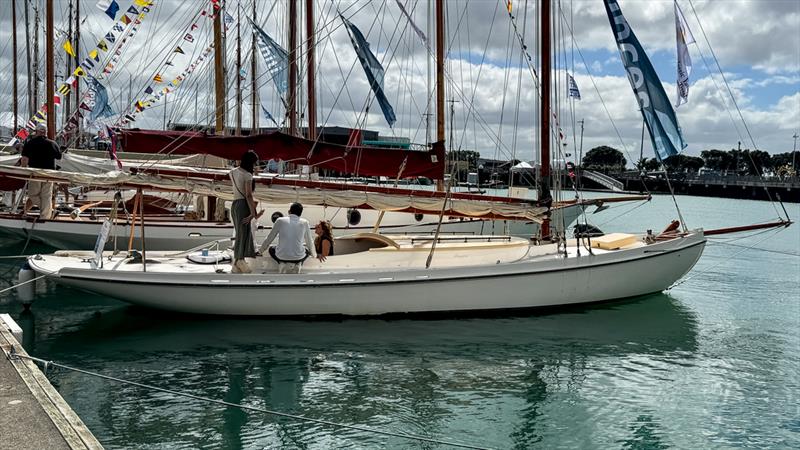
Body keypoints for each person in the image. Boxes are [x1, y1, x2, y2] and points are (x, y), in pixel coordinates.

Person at [258, 202, 317, 273]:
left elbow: (269, 239)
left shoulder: (280, 220)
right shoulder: (305, 222)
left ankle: (281, 263)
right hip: (298, 258)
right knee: (307, 251)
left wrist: (260, 251)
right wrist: (314, 256)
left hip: (281, 257)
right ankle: (299, 263)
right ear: (300, 213)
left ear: (290, 211)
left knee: (271, 249)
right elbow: (309, 241)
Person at [20, 124, 61, 219]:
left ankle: (47, 211)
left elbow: (24, 159)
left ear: (37, 131)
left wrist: (23, 171)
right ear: (45, 132)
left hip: (36, 173)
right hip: (50, 173)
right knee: (46, 196)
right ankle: (46, 216)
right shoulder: (52, 143)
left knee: (33, 194)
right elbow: (59, 157)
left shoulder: (30, 143)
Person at [229, 150, 260, 274]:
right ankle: (240, 260)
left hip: (235, 204)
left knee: (239, 232)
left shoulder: (232, 172)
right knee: (244, 233)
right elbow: (248, 194)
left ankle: (237, 263)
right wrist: (253, 213)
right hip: (243, 205)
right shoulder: (247, 175)